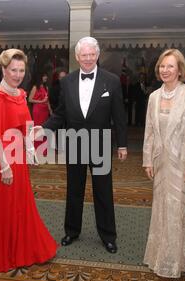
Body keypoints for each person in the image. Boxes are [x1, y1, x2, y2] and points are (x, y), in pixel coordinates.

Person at [0, 49, 58, 273]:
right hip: (2, 162)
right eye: (13, 70)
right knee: (0, 207)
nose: (18, 75)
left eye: (21, 70)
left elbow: (25, 126)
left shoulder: (20, 94)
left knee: (21, 204)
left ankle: (22, 250)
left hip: (18, 158)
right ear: (3, 70)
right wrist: (4, 166)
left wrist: (30, 151)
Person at [38, 36, 128, 254]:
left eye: (91, 54)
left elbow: (119, 115)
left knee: (103, 191)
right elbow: (60, 113)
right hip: (75, 143)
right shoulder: (67, 81)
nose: (88, 59)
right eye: (83, 55)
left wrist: (122, 145)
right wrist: (44, 128)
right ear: (77, 57)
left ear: (97, 55)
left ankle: (108, 235)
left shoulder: (112, 81)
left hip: (101, 144)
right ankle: (71, 231)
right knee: (74, 190)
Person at [142, 49, 185, 278]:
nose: (165, 70)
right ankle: (159, 257)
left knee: (178, 211)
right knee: (161, 210)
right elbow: (149, 131)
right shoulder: (154, 97)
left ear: (180, 70)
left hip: (182, 163)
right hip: (160, 163)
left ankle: (177, 262)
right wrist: (147, 159)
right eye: (162, 66)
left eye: (170, 66)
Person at [29, 73, 52, 153]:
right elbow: (30, 99)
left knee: (44, 128)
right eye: (44, 75)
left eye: (46, 76)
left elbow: (48, 100)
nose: (46, 77)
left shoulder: (46, 87)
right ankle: (36, 149)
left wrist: (50, 110)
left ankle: (43, 150)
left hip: (45, 110)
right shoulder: (35, 87)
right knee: (38, 128)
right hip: (38, 110)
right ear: (40, 77)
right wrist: (41, 101)